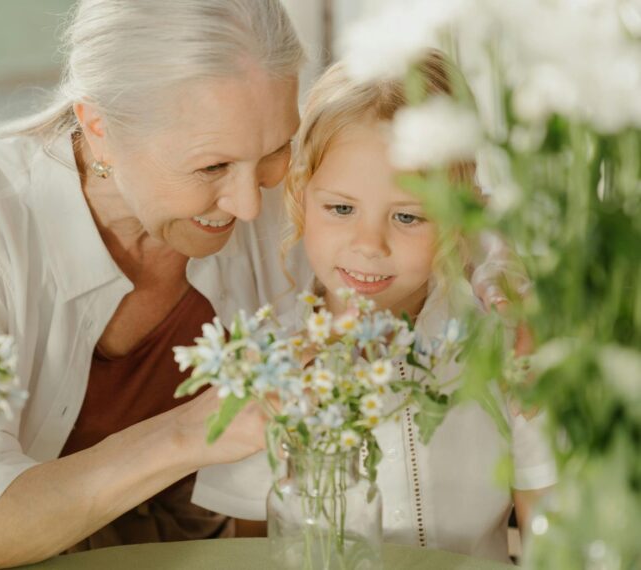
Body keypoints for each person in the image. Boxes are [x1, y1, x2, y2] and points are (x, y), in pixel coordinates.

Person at [0, 4, 519, 569]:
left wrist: (509, 278)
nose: (253, 205)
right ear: (99, 129)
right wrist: (192, 430)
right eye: (212, 166)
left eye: (276, 151)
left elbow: (428, 207)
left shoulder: (262, 172)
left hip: (187, 544)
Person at [190, 54, 556, 564]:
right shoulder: (268, 364)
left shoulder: (505, 344)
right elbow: (255, 546)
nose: (369, 245)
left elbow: (548, 527)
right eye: (341, 209)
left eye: (408, 216)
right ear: (300, 196)